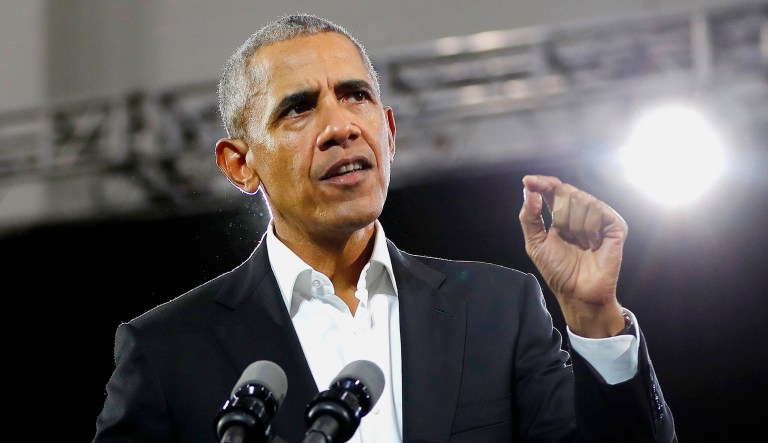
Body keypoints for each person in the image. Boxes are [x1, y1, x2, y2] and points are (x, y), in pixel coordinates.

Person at [93, 13, 677, 443]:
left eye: (356, 97)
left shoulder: (500, 311)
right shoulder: (168, 352)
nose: (341, 126)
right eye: (299, 108)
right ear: (240, 163)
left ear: (389, 132)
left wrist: (594, 317)